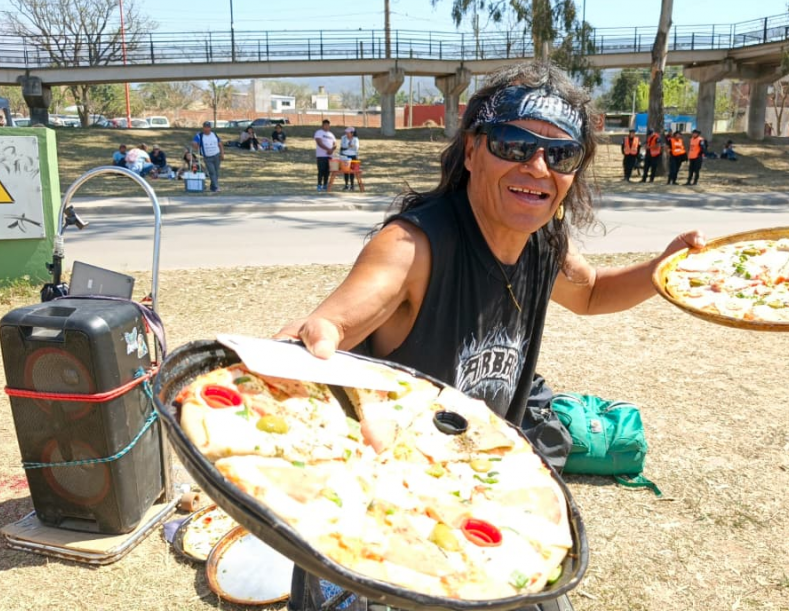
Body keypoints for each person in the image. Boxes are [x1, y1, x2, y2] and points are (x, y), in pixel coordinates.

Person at [275, 60, 703, 611]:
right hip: (381, 506)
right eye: (513, 145)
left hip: (478, 489)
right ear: (472, 150)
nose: (539, 167)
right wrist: (309, 338)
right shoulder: (414, 246)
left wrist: (662, 268)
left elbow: (592, 292)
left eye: (561, 154)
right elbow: (334, 322)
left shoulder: (544, 244)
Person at [193, 121, 224, 192]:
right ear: (203, 128)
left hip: (216, 155)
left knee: (216, 172)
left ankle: (212, 187)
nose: (206, 129)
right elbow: (194, 143)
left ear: (210, 128)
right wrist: (197, 146)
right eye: (205, 127)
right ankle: (216, 187)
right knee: (212, 172)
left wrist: (222, 154)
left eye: (208, 127)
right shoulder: (199, 135)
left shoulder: (214, 134)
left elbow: (220, 144)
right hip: (207, 157)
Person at [313, 119, 337, 192]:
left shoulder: (331, 134)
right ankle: (319, 185)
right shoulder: (319, 133)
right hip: (321, 156)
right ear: (322, 125)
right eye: (325, 125)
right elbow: (319, 143)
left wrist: (332, 150)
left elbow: (335, 144)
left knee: (327, 171)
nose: (327, 126)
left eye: (328, 125)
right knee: (321, 171)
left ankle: (325, 185)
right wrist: (327, 149)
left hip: (329, 156)